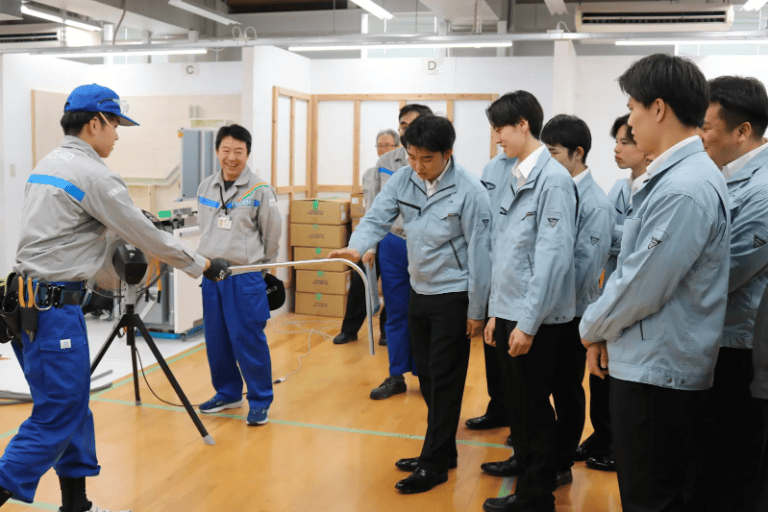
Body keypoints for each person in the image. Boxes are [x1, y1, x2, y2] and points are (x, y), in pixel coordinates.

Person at [0, 84, 230, 512]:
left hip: (27, 306)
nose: (118, 135)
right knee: (58, 414)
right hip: (53, 312)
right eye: (115, 125)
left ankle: (77, 504)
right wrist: (202, 264)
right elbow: (144, 235)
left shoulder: (47, 164)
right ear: (95, 123)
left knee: (73, 407)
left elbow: (69, 235)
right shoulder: (95, 175)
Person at [580, 54, 730, 511]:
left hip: (659, 373)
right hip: (651, 360)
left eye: (632, 109)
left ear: (659, 108)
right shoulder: (674, 178)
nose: (630, 122)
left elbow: (640, 283)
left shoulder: (684, 187)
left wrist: (591, 327)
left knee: (652, 497)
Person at [330, 114, 492, 494]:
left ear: (447, 153)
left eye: (426, 159)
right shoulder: (404, 179)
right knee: (429, 377)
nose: (418, 166)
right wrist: (357, 246)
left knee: (446, 379)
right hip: (419, 289)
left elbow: (482, 254)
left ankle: (433, 464)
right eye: (412, 157)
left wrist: (477, 311)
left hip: (454, 295)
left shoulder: (470, 191)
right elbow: (377, 218)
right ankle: (444, 450)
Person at [480, 92, 578, 512]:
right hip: (510, 311)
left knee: (534, 408)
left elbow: (552, 258)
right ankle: (524, 471)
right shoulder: (515, 173)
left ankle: (536, 496)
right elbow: (505, 250)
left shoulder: (553, 180)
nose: (496, 138)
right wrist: (496, 312)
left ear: (522, 124)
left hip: (534, 317)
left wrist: (527, 322)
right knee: (518, 406)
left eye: (500, 128)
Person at [698, 75, 768, 511]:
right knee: (715, 462)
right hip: (717, 339)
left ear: (742, 131)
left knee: (735, 467)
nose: (699, 135)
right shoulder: (726, 176)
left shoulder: (763, 190)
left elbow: (725, 274)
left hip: (740, 346)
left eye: (706, 126)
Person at [540, 114, 614, 485]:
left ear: (577, 153)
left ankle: (560, 464)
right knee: (543, 388)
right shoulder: (556, 189)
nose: (547, 160)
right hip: (549, 310)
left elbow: (585, 269)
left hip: (572, 314)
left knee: (567, 391)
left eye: (553, 153)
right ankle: (537, 457)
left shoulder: (595, 202)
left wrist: (554, 306)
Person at [574, 114, 649, 472]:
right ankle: (601, 434)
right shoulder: (620, 188)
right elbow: (607, 236)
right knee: (599, 371)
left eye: (625, 142)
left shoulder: (657, 189)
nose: (617, 149)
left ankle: (619, 443)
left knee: (621, 378)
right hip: (608, 289)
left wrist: (618, 236)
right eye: (616, 142)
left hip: (632, 293)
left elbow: (627, 240)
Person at [196, 124, 282, 427]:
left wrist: (260, 268)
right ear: (217, 151)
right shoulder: (206, 187)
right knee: (216, 339)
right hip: (212, 274)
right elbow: (205, 228)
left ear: (247, 153)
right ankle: (228, 392)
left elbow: (272, 236)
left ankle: (259, 400)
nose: (231, 157)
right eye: (226, 150)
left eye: (238, 151)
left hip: (244, 276)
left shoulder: (260, 189)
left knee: (248, 340)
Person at [364, 104, 433, 400]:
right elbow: (372, 206)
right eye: (403, 125)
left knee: (425, 313)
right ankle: (396, 375)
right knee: (395, 312)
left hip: (427, 245)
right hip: (393, 243)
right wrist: (369, 245)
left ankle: (426, 375)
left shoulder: (438, 159)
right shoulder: (384, 162)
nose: (407, 130)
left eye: (412, 124)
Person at [463, 149, 516, 437]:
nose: (498, 137)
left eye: (502, 129)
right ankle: (499, 409)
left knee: (518, 357)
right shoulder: (491, 167)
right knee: (492, 346)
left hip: (517, 269)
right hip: (491, 263)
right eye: (495, 130)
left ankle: (523, 422)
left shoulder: (541, 168)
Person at [332, 129, 400, 346]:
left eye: (387, 145)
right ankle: (349, 330)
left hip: (394, 237)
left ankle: (386, 332)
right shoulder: (371, 173)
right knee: (360, 283)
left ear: (397, 147)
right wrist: (368, 245)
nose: (383, 149)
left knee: (392, 286)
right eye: (380, 145)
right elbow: (370, 206)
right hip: (371, 235)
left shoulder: (405, 171)